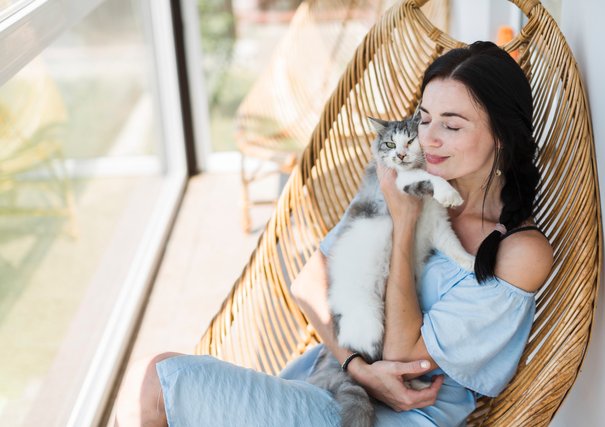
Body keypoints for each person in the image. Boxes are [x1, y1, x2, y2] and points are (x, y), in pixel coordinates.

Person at [116, 41, 553, 426]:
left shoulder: (519, 251)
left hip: (391, 417)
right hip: (332, 384)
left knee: (155, 381)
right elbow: (311, 281)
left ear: (501, 137)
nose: (428, 139)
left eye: (452, 125)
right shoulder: (405, 177)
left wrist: (405, 226)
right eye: (423, 119)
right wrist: (356, 366)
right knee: (148, 379)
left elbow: (404, 357)